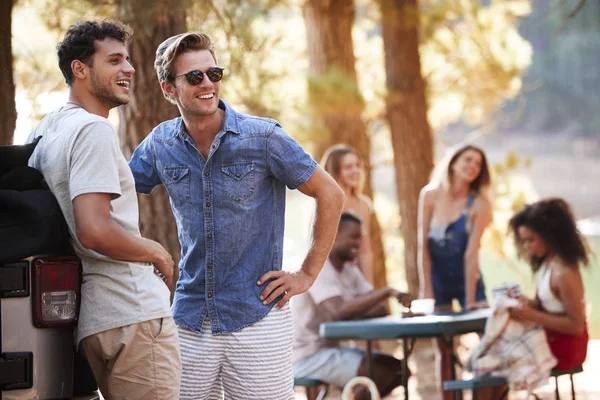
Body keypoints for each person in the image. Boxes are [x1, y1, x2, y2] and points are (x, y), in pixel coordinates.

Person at [128, 32, 344, 399]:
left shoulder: (263, 138)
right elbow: (114, 195)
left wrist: (306, 274)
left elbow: (330, 194)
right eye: (194, 77)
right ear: (169, 89)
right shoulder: (159, 145)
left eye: (214, 73)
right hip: (190, 319)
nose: (208, 83)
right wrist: (144, 252)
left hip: (257, 315)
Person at [26, 20, 181, 399]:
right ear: (80, 69)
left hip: (94, 320)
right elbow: (93, 229)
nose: (128, 68)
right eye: (114, 60)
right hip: (132, 313)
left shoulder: (44, 130)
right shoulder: (92, 130)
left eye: (127, 60)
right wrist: (157, 252)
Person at [292, 212, 411, 400]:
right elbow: (339, 312)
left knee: (399, 370)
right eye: (353, 237)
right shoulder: (318, 268)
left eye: (360, 238)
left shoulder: (348, 269)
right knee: (376, 372)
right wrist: (386, 292)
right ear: (334, 235)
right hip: (307, 355)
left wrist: (357, 307)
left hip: (331, 350)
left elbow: (379, 308)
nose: (359, 243)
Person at [417, 144, 493, 400]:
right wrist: (426, 290)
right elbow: (422, 247)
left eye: (478, 164)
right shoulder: (429, 195)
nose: (472, 166)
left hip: (468, 280)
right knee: (445, 350)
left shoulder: (480, 203)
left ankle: (486, 395)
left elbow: (472, 255)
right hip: (438, 283)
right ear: (453, 162)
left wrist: (470, 301)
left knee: (487, 344)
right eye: (468, 160)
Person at [508, 198, 589, 371]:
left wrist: (531, 315)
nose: (527, 246)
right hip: (548, 340)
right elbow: (541, 306)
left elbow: (576, 326)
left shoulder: (564, 273)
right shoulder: (548, 264)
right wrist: (522, 304)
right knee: (494, 359)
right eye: (523, 241)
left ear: (548, 236)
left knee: (497, 362)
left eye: (531, 240)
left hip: (565, 349)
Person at [322, 144, 374, 283]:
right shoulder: (325, 202)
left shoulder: (363, 204)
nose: (355, 171)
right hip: (330, 274)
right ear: (335, 170)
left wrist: (368, 286)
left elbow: (365, 250)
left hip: (355, 276)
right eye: (348, 167)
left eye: (357, 165)